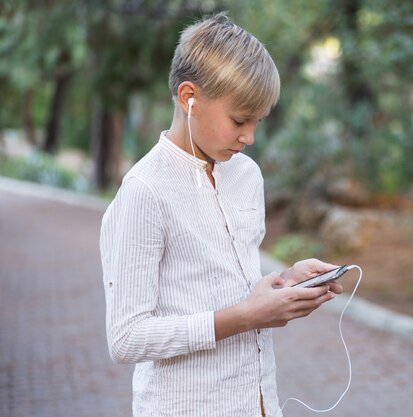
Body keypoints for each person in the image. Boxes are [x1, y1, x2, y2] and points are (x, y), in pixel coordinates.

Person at [100, 12, 342, 417]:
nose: (249, 137)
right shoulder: (144, 191)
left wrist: (285, 282)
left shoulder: (247, 175)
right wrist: (244, 318)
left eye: (257, 122)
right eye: (239, 120)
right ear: (188, 97)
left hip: (261, 403)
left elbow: (230, 280)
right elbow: (126, 338)